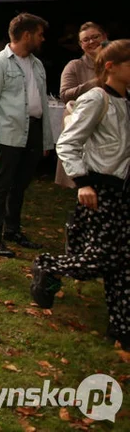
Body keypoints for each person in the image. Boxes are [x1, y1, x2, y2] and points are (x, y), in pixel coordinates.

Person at [30, 40, 130, 348]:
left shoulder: (126, 100)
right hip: (99, 190)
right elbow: (68, 143)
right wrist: (83, 182)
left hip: (124, 192)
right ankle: (49, 266)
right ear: (111, 67)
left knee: (124, 262)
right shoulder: (97, 99)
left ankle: (122, 326)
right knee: (100, 260)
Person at [0, 13, 53, 258]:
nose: (43, 39)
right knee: (0, 185)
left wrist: (45, 139)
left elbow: (42, 101)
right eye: (40, 34)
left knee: (20, 184)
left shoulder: (37, 64)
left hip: (32, 130)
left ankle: (12, 229)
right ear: (26, 35)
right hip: (7, 133)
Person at [55, 22, 108, 187]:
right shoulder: (74, 66)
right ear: (80, 45)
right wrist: (97, 82)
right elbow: (65, 95)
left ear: (105, 37)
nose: (91, 42)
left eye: (95, 37)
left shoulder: (120, 63)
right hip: (82, 122)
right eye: (86, 40)